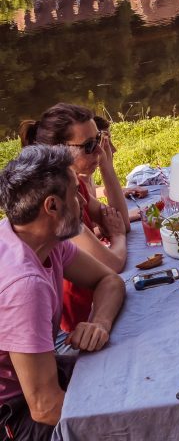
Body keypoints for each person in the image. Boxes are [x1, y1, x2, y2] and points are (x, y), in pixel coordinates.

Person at [0, 145, 125, 440]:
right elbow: (44, 407)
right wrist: (131, 423)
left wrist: (99, 323)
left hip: (43, 380)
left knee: (129, 369)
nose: (83, 199)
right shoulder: (24, 285)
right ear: (52, 206)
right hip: (15, 415)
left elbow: (110, 281)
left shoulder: (41, 239)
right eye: (75, 192)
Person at [19, 103, 129, 333]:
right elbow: (112, 264)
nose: (98, 151)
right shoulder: (58, 206)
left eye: (98, 140)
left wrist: (107, 167)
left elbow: (121, 220)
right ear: (58, 151)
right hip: (77, 321)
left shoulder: (79, 189)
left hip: (97, 303)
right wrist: (117, 236)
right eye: (89, 146)